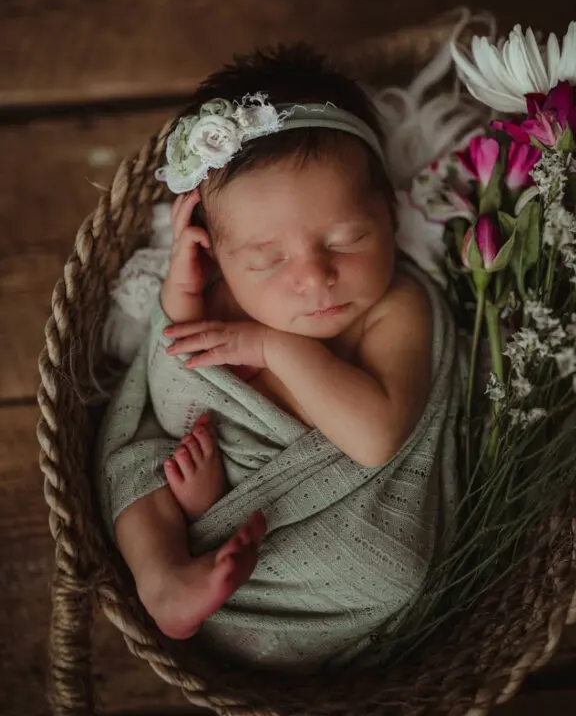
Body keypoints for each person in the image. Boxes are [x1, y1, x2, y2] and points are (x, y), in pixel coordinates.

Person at [107, 42, 436, 644]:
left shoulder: (395, 308)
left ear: (390, 215)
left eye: (346, 240)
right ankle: (163, 580)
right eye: (267, 258)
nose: (313, 277)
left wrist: (274, 348)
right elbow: (175, 371)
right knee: (131, 468)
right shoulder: (225, 293)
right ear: (220, 257)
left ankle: (198, 536)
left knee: (393, 571)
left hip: (327, 527)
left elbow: (375, 438)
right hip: (204, 492)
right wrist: (180, 287)